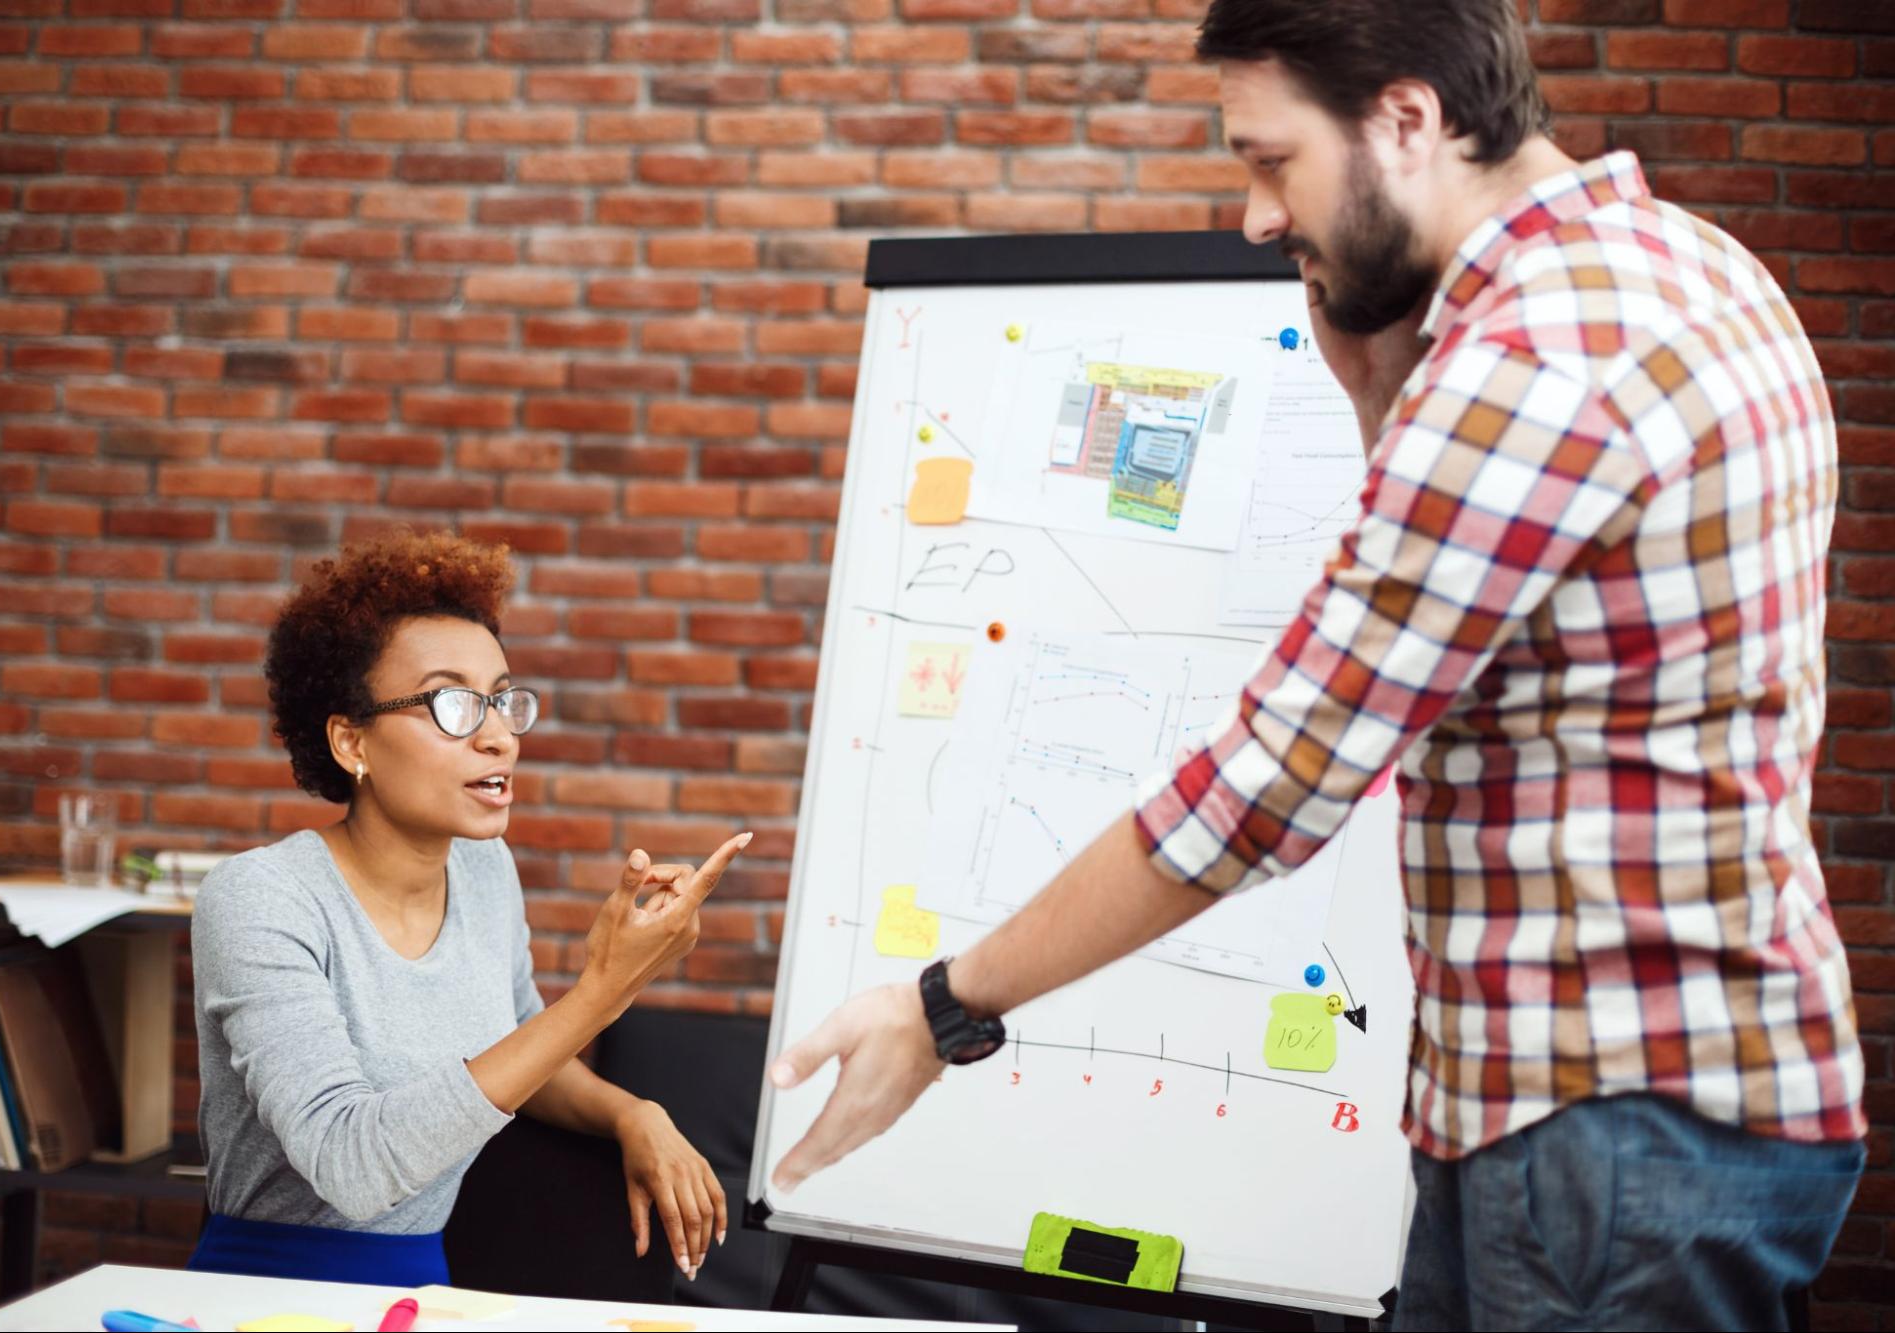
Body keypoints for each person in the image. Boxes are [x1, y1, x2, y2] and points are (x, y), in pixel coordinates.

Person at [766, 2, 1866, 1328]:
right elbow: (1495, 646)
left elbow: (1265, 785)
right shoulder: (1683, 265)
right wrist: (1372, 401)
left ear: (1406, 120)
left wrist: (940, 1005)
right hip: (1630, 1107)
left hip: (1605, 1130)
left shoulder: (1529, 362)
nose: (1250, 215)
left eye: (1268, 160)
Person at [190, 529, 744, 1287]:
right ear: (352, 742)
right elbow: (349, 1166)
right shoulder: (261, 898)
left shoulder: (483, 869)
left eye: (501, 699)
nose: (497, 736)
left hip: (425, 1288)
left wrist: (630, 1112)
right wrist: (604, 992)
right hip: (269, 1291)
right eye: (453, 703)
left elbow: (521, 1047)